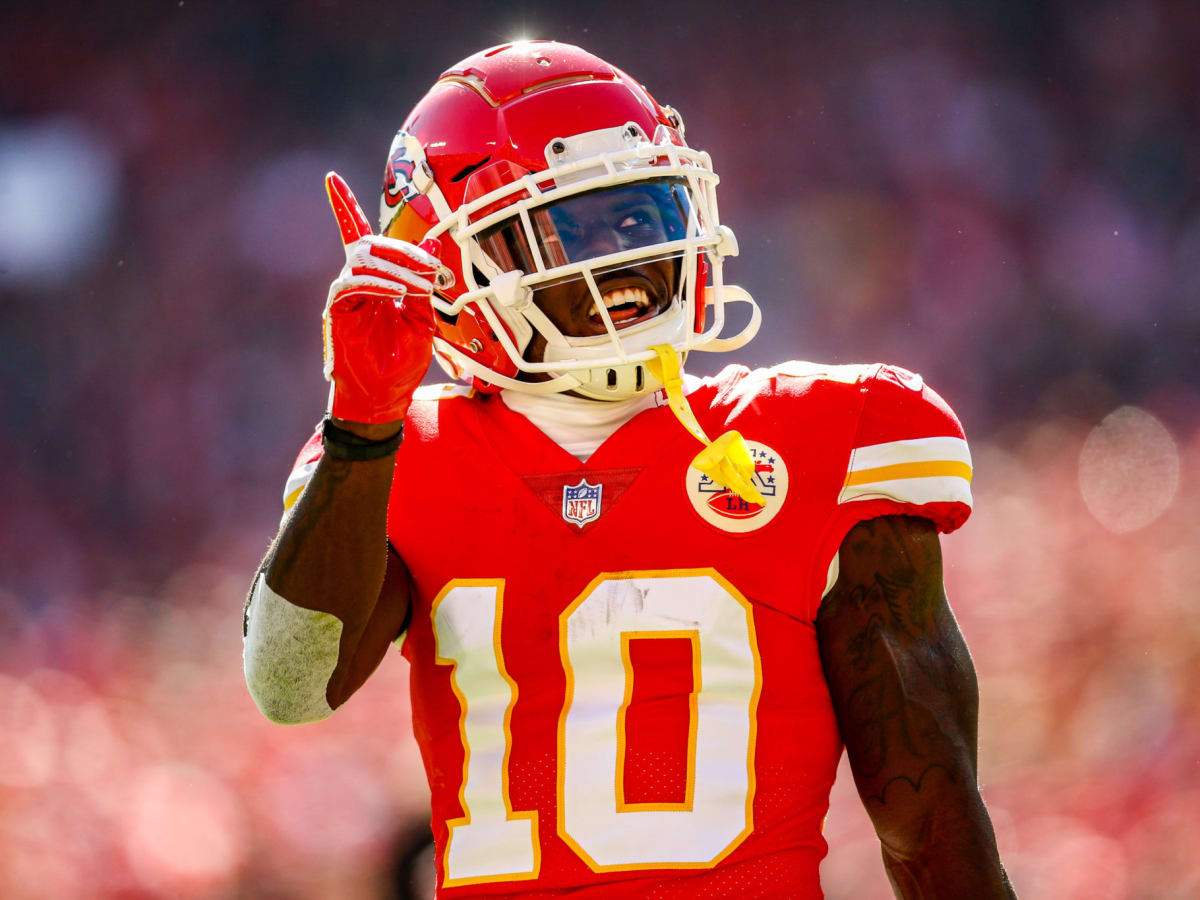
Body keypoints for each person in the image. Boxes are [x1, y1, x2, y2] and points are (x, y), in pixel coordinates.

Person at [243, 40, 1015, 899]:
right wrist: (361, 427)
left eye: (643, 215)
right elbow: (292, 686)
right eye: (574, 224)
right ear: (460, 260)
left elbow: (929, 814)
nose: (628, 254)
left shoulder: (829, 435)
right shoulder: (400, 457)